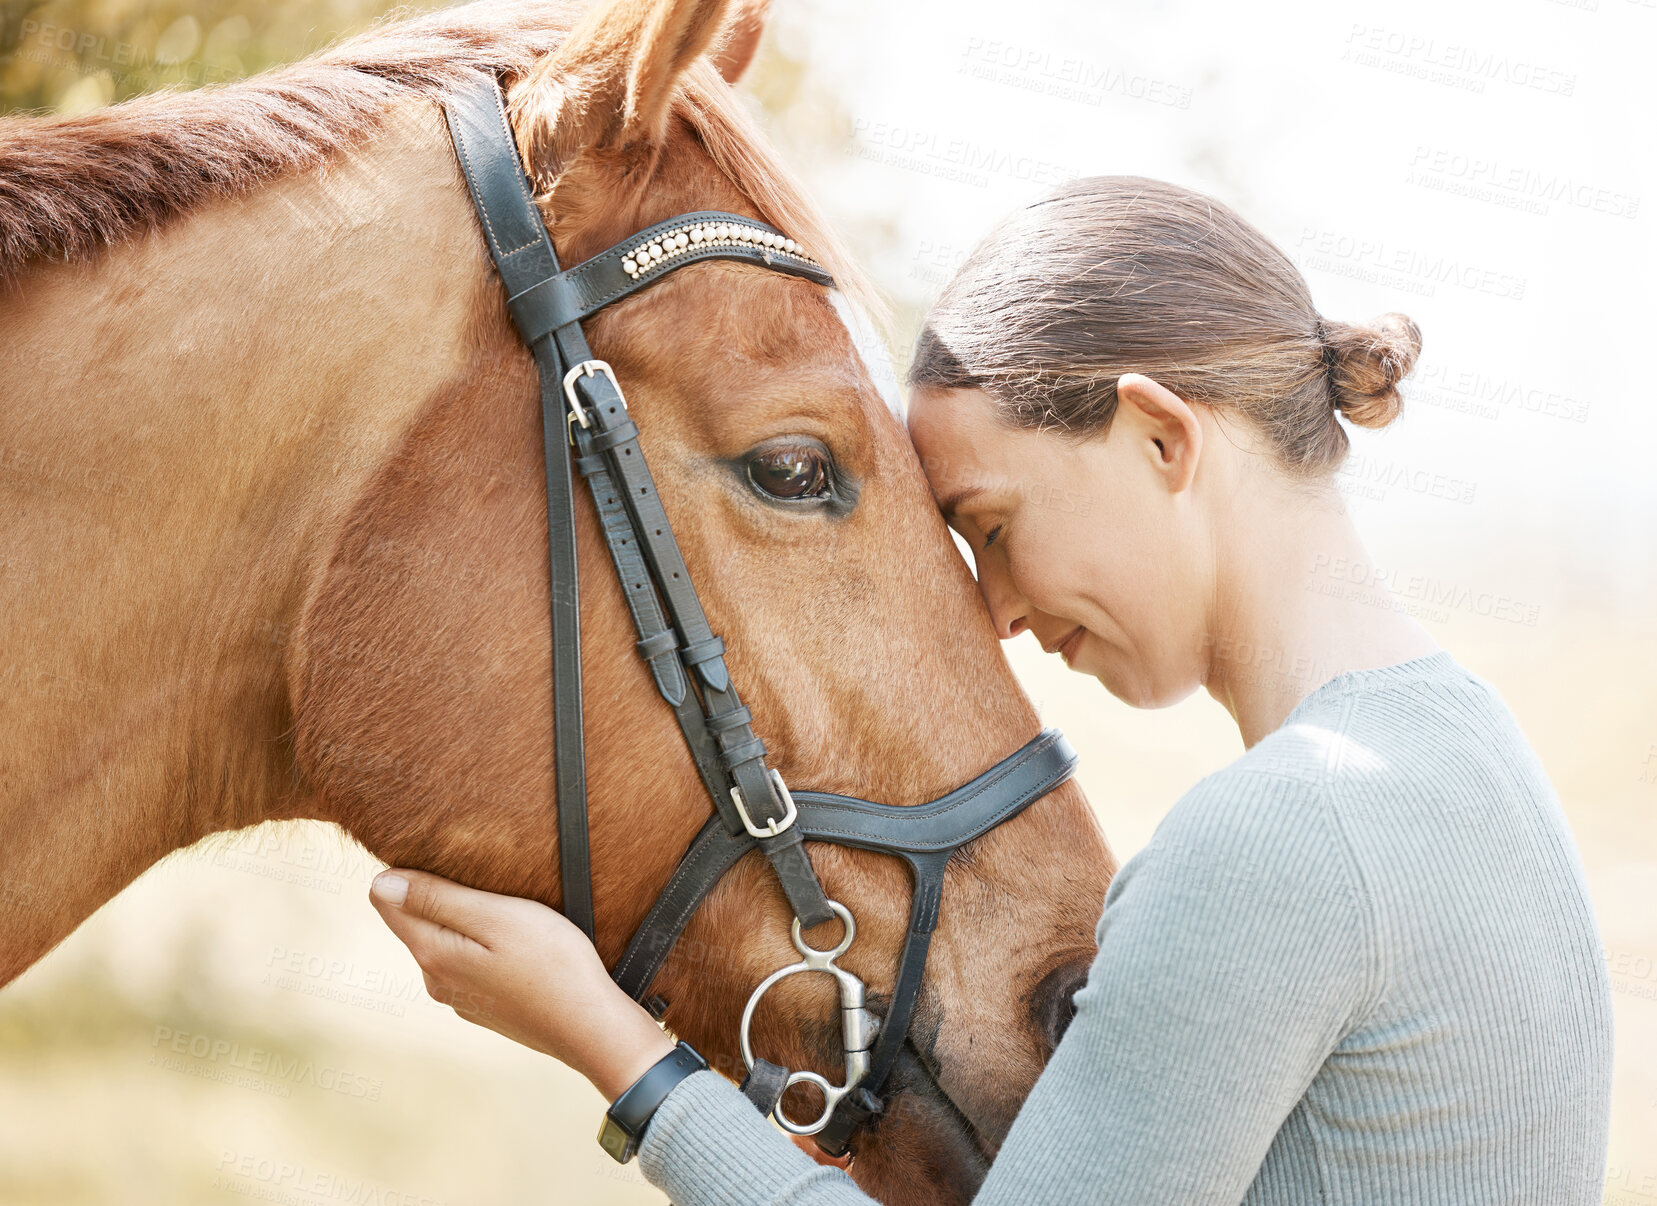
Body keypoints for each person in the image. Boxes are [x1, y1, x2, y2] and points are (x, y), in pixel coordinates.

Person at [368, 177, 1613, 1204]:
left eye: (994, 526)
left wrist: (622, 1055)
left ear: (1159, 439)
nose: (1000, 613)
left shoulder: (1282, 838)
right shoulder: (1478, 761)